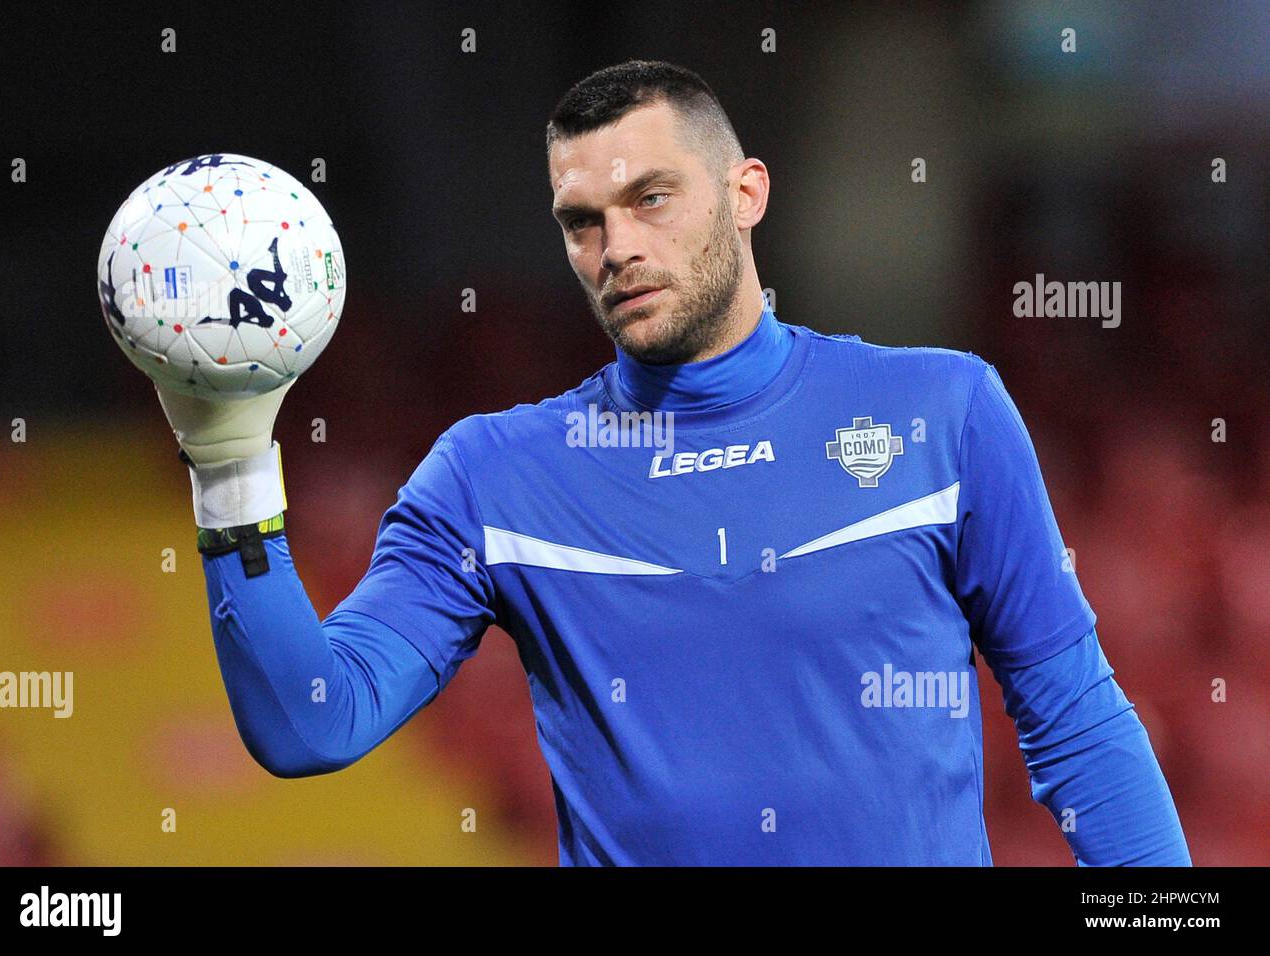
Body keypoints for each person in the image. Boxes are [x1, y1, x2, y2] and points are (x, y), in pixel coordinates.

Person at [157, 60, 1191, 866]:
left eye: (650, 198)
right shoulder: (493, 476)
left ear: (746, 192)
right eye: (582, 222)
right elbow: (308, 723)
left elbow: (1074, 714)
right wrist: (230, 458)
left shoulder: (942, 408)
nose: (616, 247)